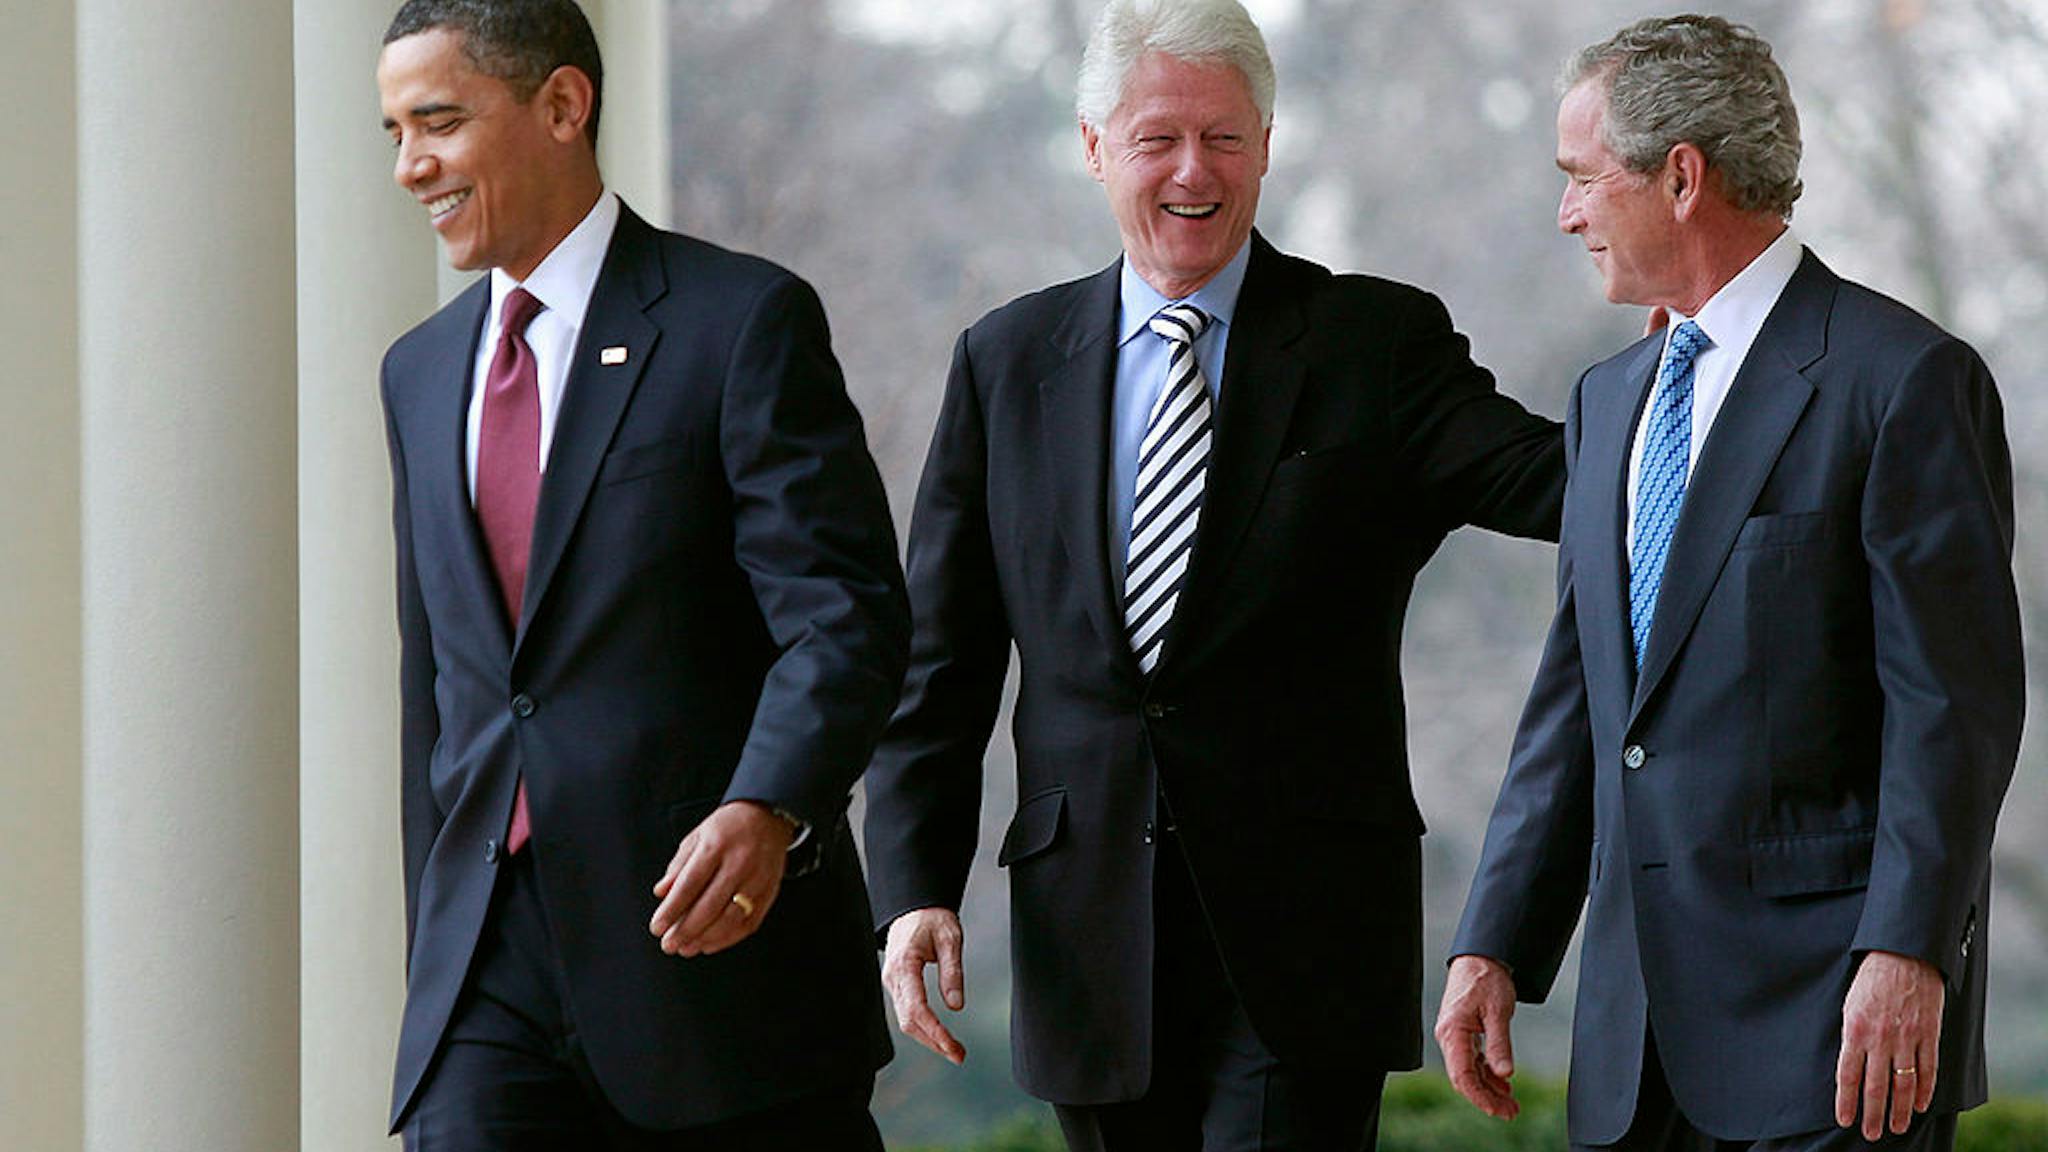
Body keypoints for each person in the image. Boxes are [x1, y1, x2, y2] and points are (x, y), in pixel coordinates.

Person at [861, 1, 1563, 1147]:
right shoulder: (1007, 362)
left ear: (1266, 143)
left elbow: (1552, 480)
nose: (1195, 171)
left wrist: (1708, 373)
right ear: (1094, 149)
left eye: (1225, 137)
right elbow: (940, 659)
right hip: (1086, 934)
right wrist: (911, 887)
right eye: (1157, 139)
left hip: (1304, 941)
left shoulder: (1368, 344)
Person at [1436, 15, 2023, 1152]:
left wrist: (1904, 951)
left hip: (1838, 1038)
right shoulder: (1607, 402)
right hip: (1632, 1046)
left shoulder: (1900, 382)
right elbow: (1579, 703)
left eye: (1578, 179)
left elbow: (1951, 712)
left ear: (1680, 176)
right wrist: (1492, 939)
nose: (1565, 214)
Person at [374, 0, 909, 1145]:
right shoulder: (416, 376)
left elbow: (843, 617)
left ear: (562, 105)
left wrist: (767, 806)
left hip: (709, 962)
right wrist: (434, 950)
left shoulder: (739, 323)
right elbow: (440, 686)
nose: (412, 166)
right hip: (487, 977)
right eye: (394, 135)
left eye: (439, 123)